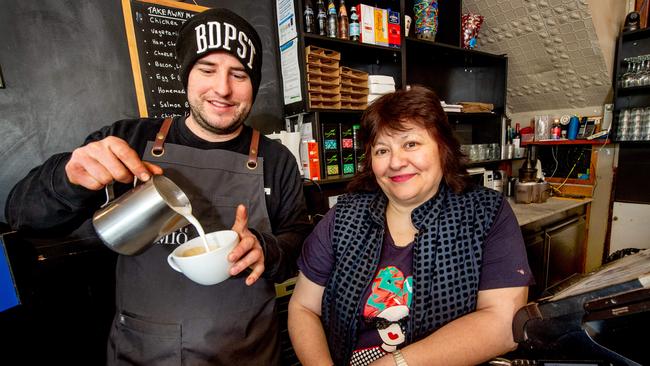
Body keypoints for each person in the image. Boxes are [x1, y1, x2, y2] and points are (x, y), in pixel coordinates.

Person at [5, 8, 311, 365]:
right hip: (143, 352)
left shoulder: (276, 160)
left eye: (239, 74)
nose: (223, 89)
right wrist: (68, 177)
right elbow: (21, 214)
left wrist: (266, 249)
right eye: (207, 70)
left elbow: (301, 240)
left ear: (253, 84)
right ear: (186, 75)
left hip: (248, 351)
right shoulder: (128, 141)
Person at [288, 86, 533, 366]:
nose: (395, 162)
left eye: (411, 144)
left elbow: (503, 324)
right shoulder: (343, 216)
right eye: (382, 150)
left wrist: (396, 363)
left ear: (443, 147)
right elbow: (303, 307)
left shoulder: (486, 213)